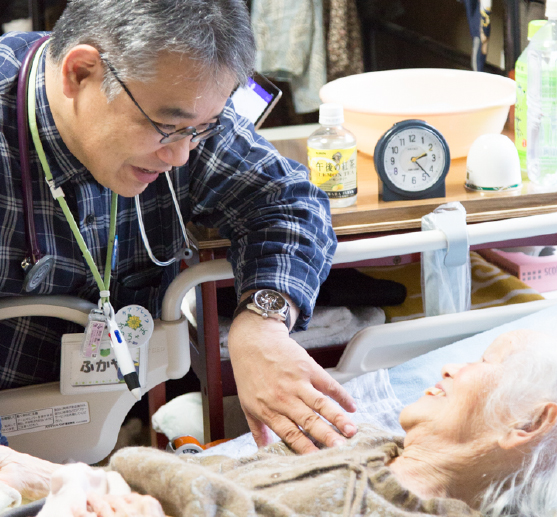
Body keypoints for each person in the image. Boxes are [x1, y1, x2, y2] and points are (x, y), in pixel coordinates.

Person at [0, 329, 557, 517]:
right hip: (61, 514)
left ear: (527, 424)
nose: (451, 367)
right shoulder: (350, 439)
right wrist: (44, 475)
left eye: (484, 363)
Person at [0, 0, 357, 454]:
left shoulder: (180, 110)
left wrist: (262, 324)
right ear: (80, 73)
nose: (182, 156)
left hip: (107, 416)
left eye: (203, 129)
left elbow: (286, 202)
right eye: (166, 128)